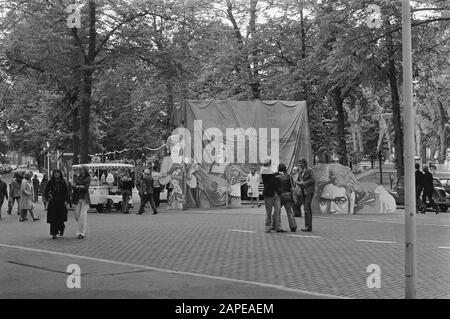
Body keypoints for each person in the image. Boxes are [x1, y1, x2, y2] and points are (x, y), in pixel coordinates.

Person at [261, 159, 285, 233]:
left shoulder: (271, 171)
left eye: (269, 163)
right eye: (268, 163)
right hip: (268, 194)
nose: (269, 164)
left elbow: (274, 175)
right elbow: (272, 175)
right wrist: (278, 174)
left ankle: (278, 227)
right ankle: (267, 227)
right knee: (269, 212)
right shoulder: (264, 171)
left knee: (278, 210)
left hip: (276, 194)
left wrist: (278, 175)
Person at [45, 169, 69, 239]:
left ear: (60, 174)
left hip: (61, 203)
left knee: (60, 218)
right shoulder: (50, 182)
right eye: (54, 173)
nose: (56, 174)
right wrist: (48, 196)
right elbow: (46, 191)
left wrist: (66, 201)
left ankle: (61, 229)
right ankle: (54, 233)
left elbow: (66, 192)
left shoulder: (63, 182)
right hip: (53, 202)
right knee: (53, 218)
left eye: (57, 173)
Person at [276, 163, 297, 232]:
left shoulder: (277, 176)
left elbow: (276, 186)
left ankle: (274, 225)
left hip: (280, 195)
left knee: (277, 211)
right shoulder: (289, 176)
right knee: (289, 211)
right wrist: (293, 196)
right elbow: (292, 186)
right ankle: (293, 226)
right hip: (288, 195)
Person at [73, 165, 91, 239]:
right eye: (79, 169)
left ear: (85, 170)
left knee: (82, 216)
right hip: (77, 198)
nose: (79, 171)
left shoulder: (88, 178)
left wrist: (78, 187)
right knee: (77, 215)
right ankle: (81, 228)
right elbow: (74, 186)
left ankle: (81, 233)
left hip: (84, 198)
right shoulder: (77, 177)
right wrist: (76, 187)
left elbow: (86, 187)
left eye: (81, 169)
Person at [297, 158, 315, 232]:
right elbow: (299, 179)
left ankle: (308, 226)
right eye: (299, 163)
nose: (300, 165)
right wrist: (298, 182)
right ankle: (308, 226)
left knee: (307, 208)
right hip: (303, 192)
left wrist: (304, 183)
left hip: (309, 191)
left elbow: (313, 180)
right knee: (307, 208)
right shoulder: (301, 172)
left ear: (305, 163)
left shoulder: (309, 170)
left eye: (301, 163)